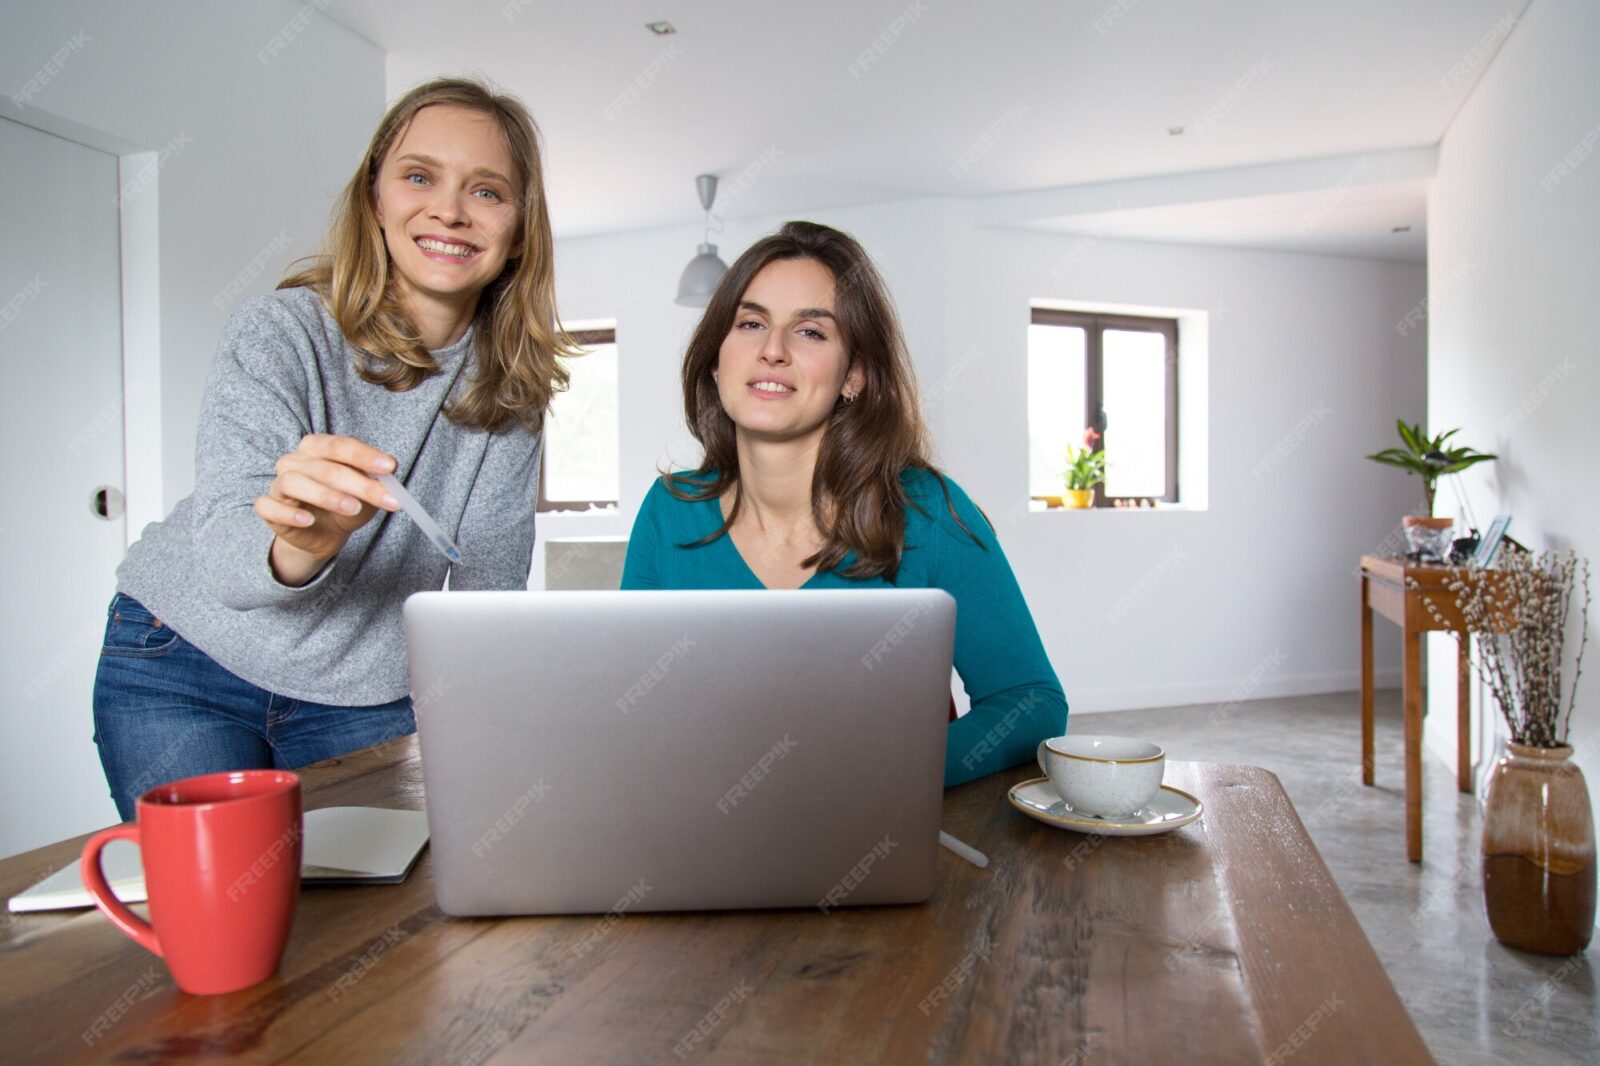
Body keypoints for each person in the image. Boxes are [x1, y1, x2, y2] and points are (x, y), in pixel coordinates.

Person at [94, 77, 571, 819]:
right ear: (375, 200)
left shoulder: (511, 395)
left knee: (382, 918)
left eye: (487, 191)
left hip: (364, 690)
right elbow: (227, 562)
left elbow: (486, 591)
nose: (448, 209)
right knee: (219, 916)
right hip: (181, 663)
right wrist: (303, 543)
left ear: (518, 229)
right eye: (419, 177)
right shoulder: (280, 331)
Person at [621, 221, 1066, 787]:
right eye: (751, 323)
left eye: (810, 332)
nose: (772, 350)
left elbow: (1032, 702)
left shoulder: (928, 512)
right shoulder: (668, 510)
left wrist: (887, 779)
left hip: (877, 844)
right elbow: (635, 706)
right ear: (716, 359)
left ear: (853, 374)